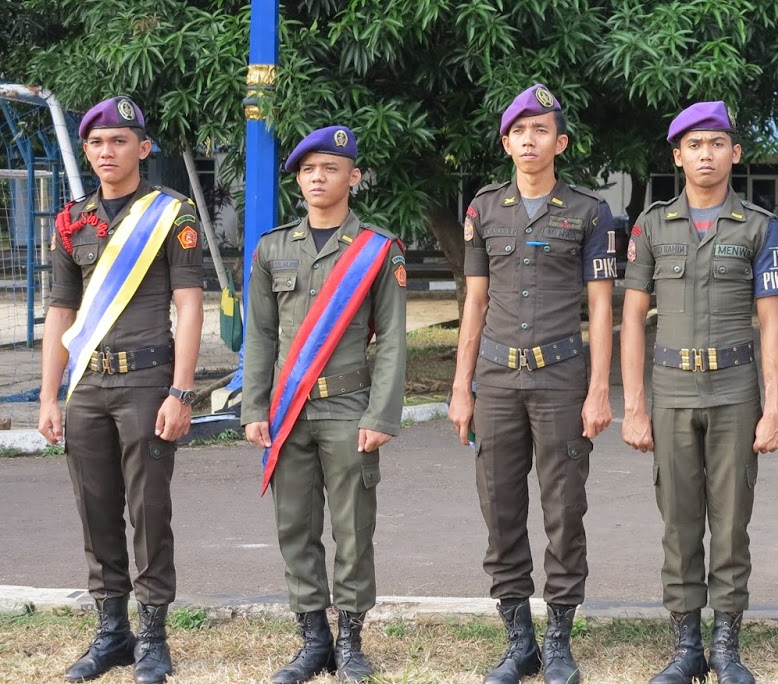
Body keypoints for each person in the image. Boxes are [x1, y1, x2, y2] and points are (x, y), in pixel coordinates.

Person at [447, 84, 618, 684]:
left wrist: (601, 389)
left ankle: (560, 638)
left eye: (541, 129)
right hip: (495, 378)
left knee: (565, 507)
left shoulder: (591, 213)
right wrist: (461, 385)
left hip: (562, 376)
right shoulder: (483, 210)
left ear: (560, 142)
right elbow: (474, 301)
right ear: (505, 142)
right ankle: (518, 639)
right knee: (500, 508)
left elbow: (601, 308)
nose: (529, 139)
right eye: (519, 131)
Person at [620, 101, 778, 684]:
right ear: (678, 156)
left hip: (734, 390)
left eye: (717, 143)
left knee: (733, 518)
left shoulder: (761, 227)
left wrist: (776, 408)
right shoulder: (650, 225)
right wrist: (634, 406)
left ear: (734, 153)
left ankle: (727, 644)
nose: (706, 154)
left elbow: (771, 322)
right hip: (670, 391)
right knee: (678, 518)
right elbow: (633, 316)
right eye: (694, 145)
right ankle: (686, 643)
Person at [37, 95, 204, 684]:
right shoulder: (71, 220)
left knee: (148, 508)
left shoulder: (171, 214)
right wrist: (48, 396)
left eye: (119, 141)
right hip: (87, 386)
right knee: (96, 507)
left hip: (146, 381)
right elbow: (60, 311)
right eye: (97, 143)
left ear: (143, 148)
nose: (107, 151)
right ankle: (112, 633)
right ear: (87, 150)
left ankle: (154, 636)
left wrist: (181, 392)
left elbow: (188, 306)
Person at [242, 126, 408, 683]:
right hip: (288, 413)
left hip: (348, 409)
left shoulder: (377, 250)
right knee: (295, 525)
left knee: (353, 527)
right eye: (309, 169)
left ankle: (352, 642)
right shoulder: (272, 248)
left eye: (331, 168)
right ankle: (313, 640)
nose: (318, 177)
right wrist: (253, 407)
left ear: (353, 177)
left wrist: (381, 415)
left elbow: (392, 338)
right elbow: (261, 336)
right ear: (298, 177)